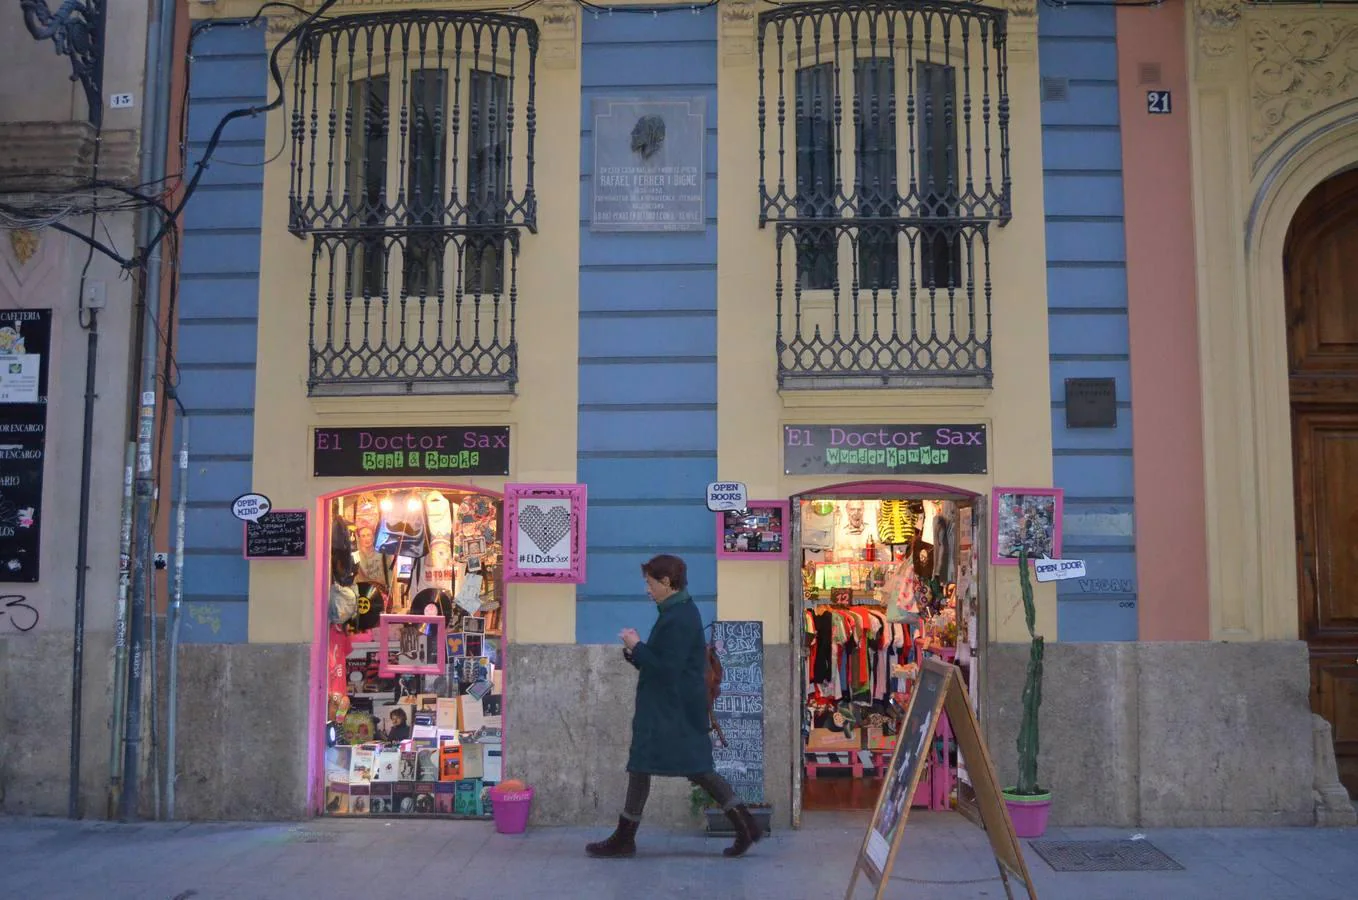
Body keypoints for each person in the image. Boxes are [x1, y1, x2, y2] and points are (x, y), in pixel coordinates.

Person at [585, 554, 761, 859]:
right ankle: (745, 825)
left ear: (666, 583)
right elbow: (665, 661)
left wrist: (636, 647)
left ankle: (745, 826)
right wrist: (637, 653)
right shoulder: (677, 611)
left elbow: (667, 668)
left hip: (672, 710)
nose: (647, 589)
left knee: (694, 768)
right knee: (649, 766)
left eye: (650, 583)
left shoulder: (679, 616)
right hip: (670, 707)